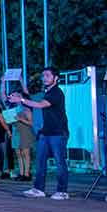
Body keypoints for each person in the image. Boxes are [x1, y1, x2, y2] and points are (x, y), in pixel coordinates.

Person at [9, 67, 70, 199]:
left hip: (58, 132)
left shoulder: (56, 92)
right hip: (45, 132)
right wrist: (21, 91)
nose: (44, 78)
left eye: (47, 75)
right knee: (40, 161)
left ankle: (62, 191)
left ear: (56, 78)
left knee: (60, 162)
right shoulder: (46, 92)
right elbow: (30, 97)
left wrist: (22, 100)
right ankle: (38, 189)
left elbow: (41, 105)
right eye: (43, 76)